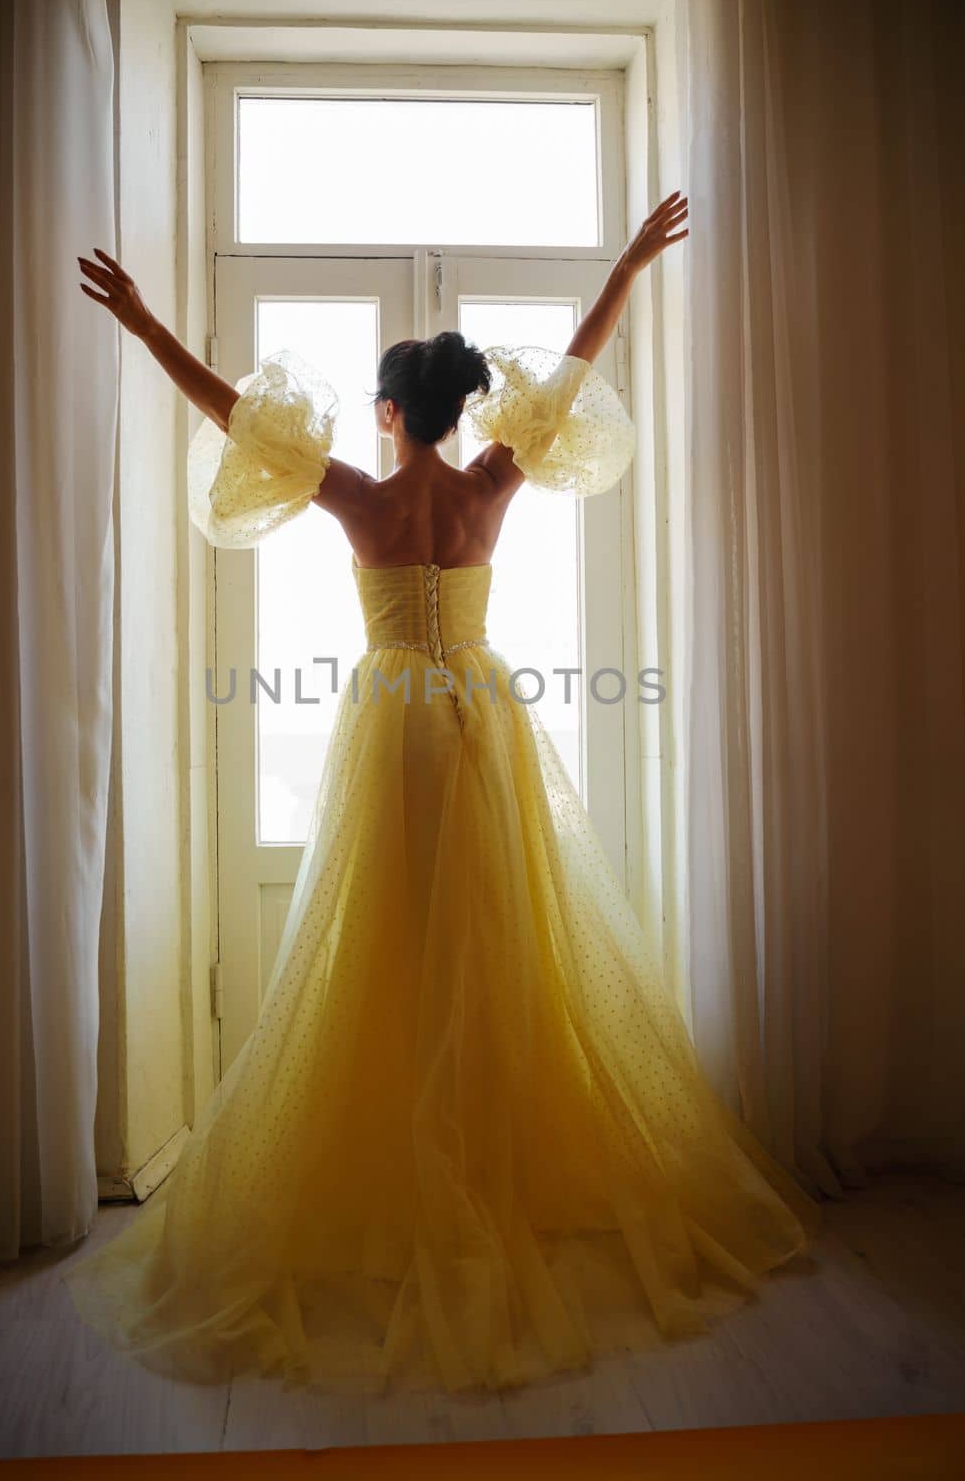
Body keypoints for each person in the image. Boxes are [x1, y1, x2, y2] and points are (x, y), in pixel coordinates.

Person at [66, 193, 821, 1395]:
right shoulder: (483, 492)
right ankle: (479, 1162)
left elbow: (230, 411)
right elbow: (570, 377)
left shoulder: (363, 501)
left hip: (393, 730)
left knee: (392, 947)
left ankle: (413, 1174)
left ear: (385, 412)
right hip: (481, 721)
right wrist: (625, 263)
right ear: (457, 408)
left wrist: (146, 325)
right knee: (499, 942)